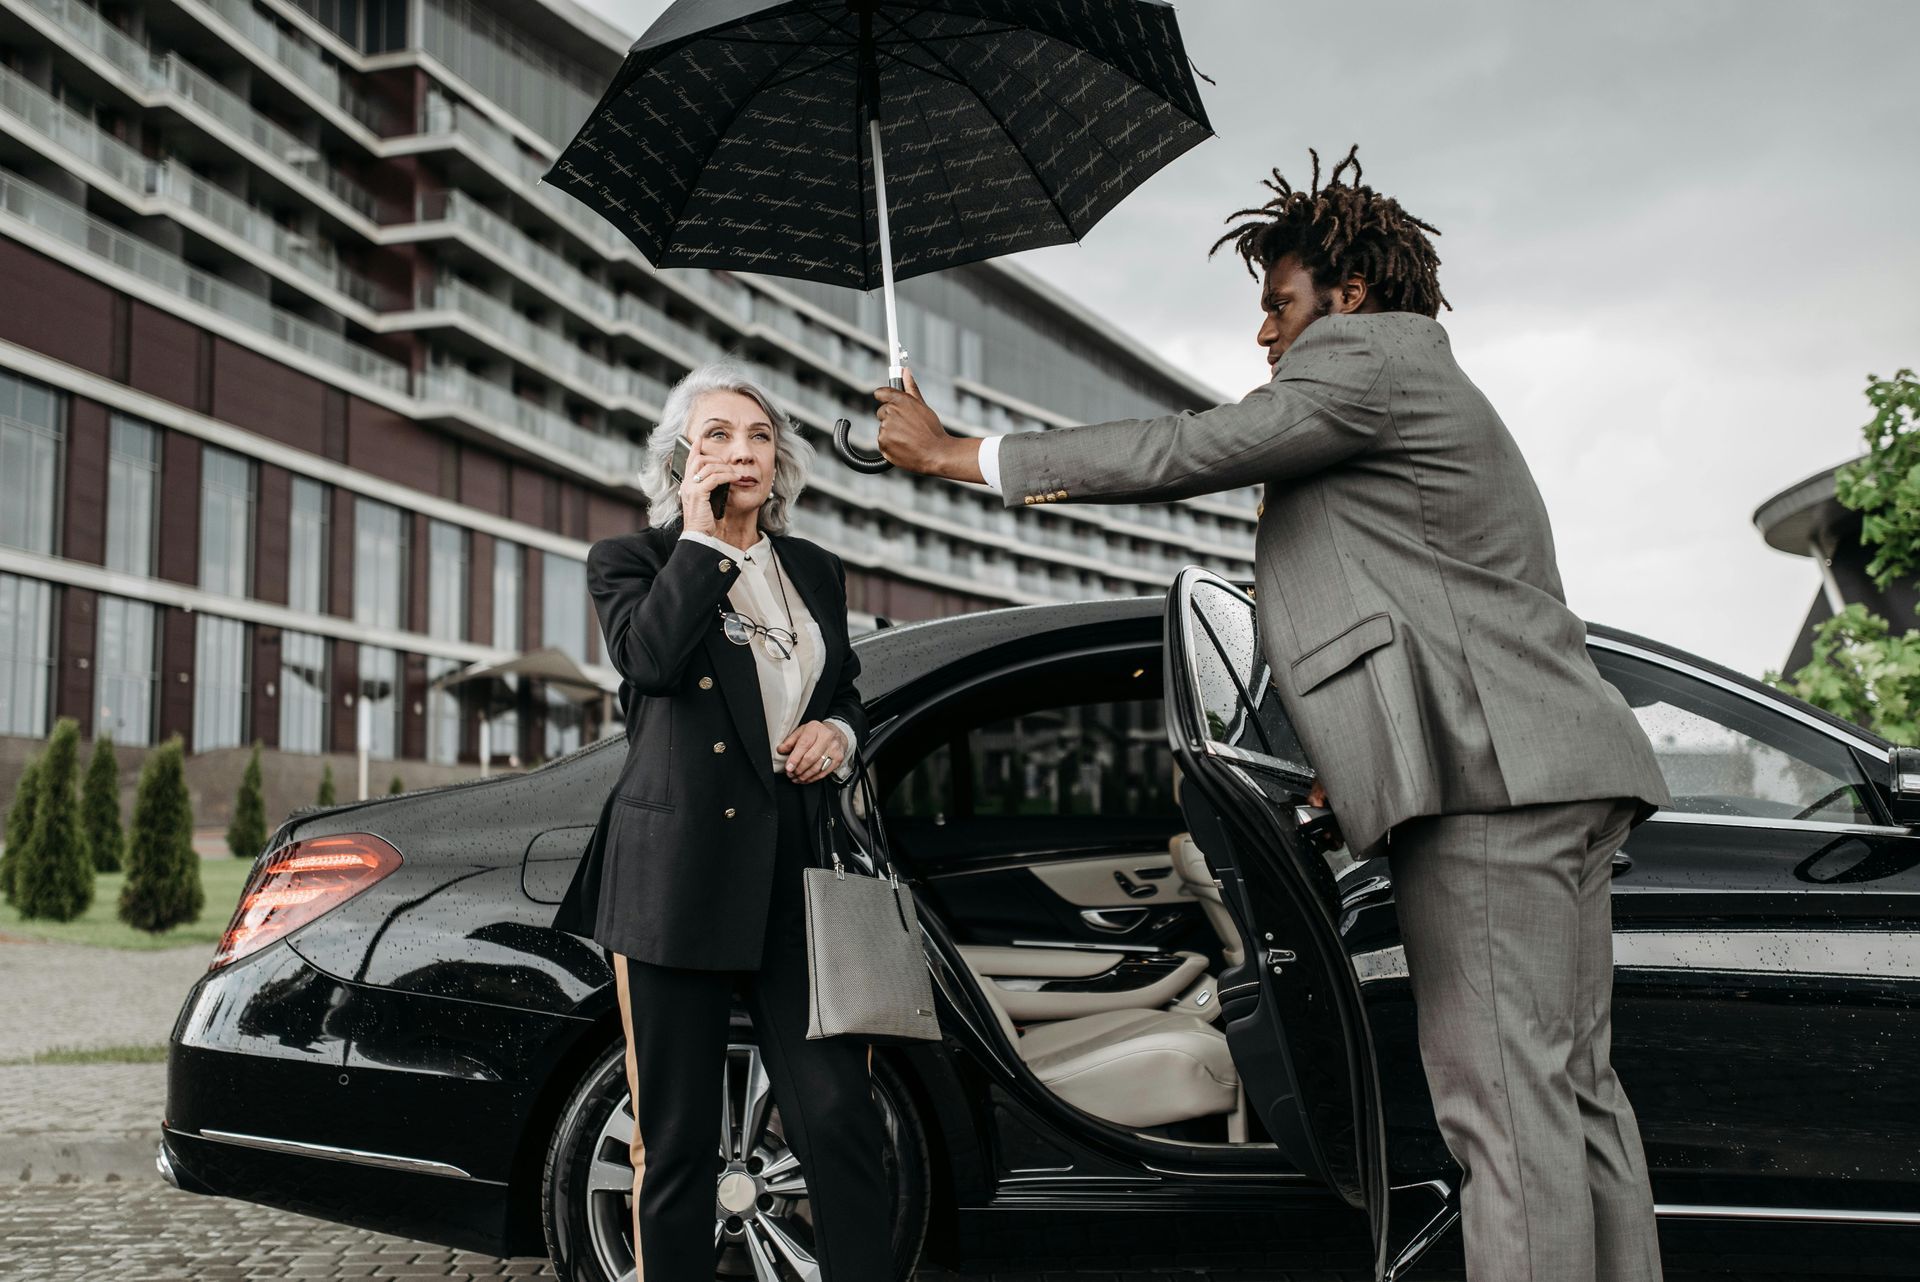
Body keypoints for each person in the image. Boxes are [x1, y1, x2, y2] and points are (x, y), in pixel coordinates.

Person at [871, 147, 1673, 1282]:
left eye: (1277, 302)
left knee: (1500, 1106)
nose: (1264, 332)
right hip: (1550, 770)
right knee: (1572, 1095)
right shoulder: (1416, 389)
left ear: (1344, 295)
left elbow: (1194, 446)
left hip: (1494, 787)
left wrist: (962, 453)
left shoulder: (1371, 358)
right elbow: (1420, 612)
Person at [551, 362, 891, 1281]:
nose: (741, 450)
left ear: (780, 463)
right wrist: (702, 540)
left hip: (796, 870)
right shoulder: (635, 561)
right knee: (676, 1142)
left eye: (758, 437)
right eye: (717, 436)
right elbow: (651, 661)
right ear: (680, 459)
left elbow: (846, 690)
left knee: (840, 1119)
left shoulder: (816, 570)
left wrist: (839, 733)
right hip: (678, 878)